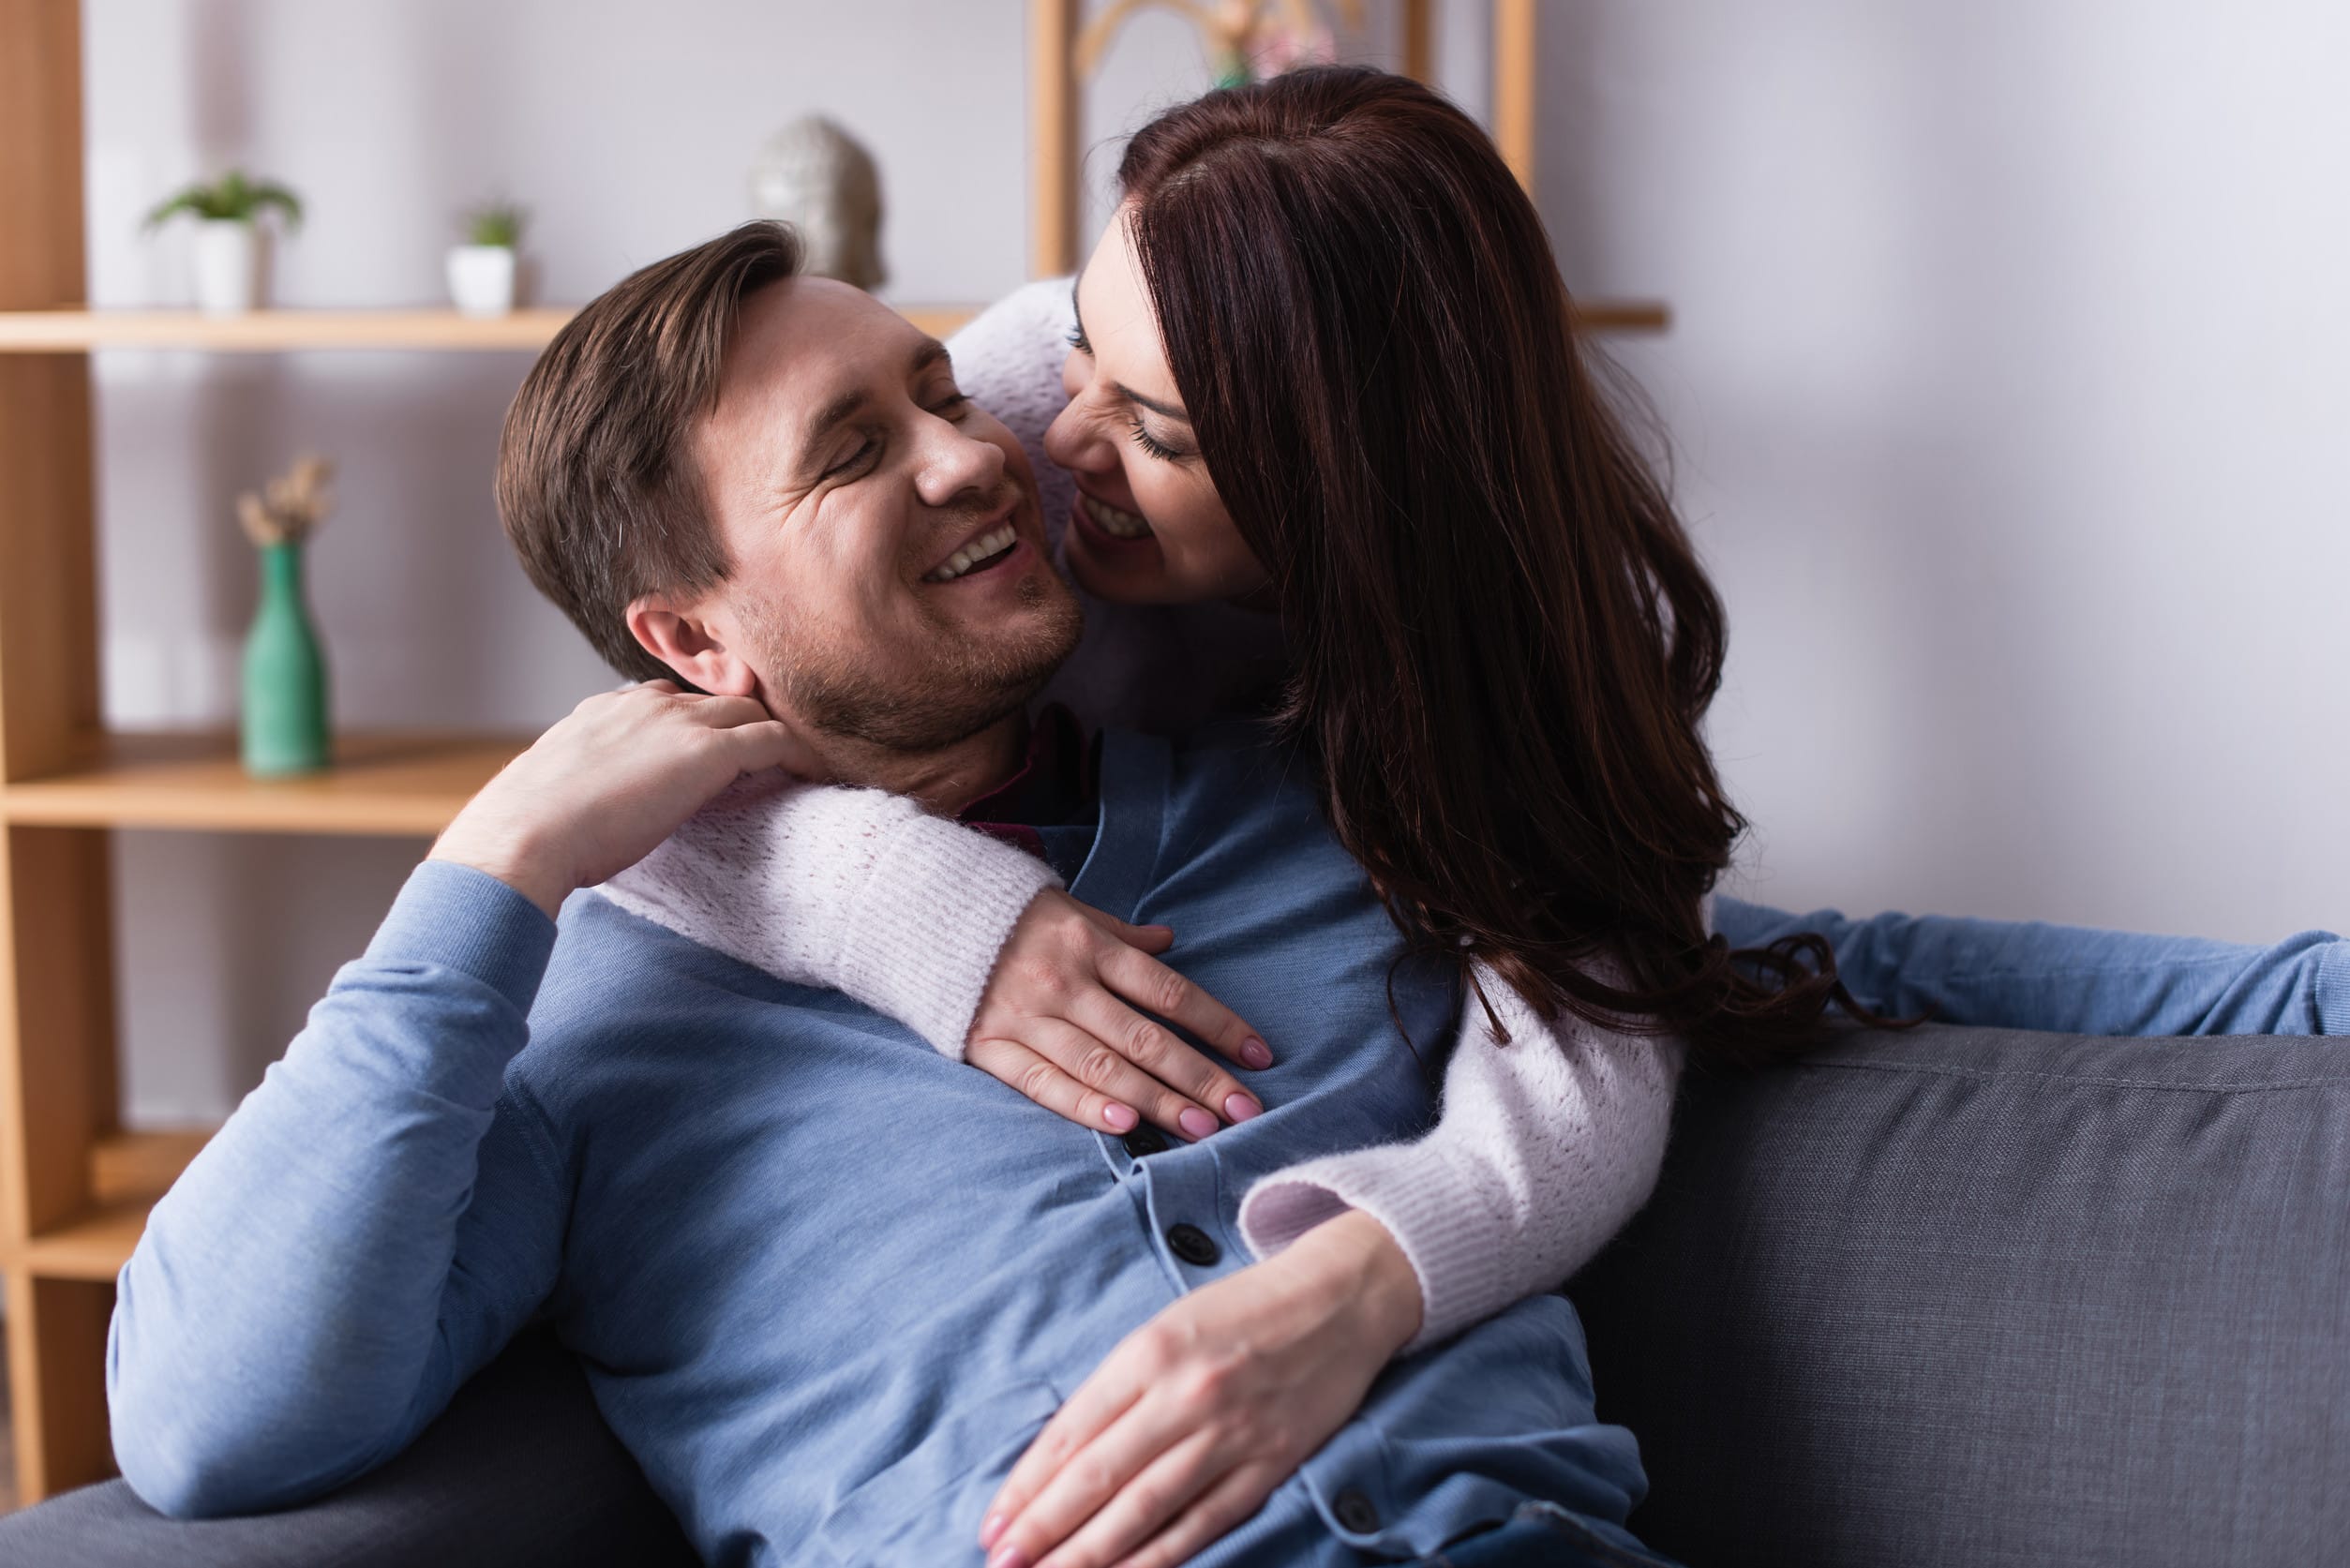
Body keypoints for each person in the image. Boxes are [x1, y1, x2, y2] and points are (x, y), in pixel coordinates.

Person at [597, 66, 2348, 1568]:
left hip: (1371, 939)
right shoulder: (1011, 405)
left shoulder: (1477, 670)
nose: (1039, 448)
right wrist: (923, 911)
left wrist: (1360, 1282)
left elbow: (1588, 1045)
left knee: (1768, 968)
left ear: (1334, 497)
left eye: (1157, 431)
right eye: (1079, 350)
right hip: (1055, 909)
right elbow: (665, 735)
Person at [107, 219, 1687, 1568]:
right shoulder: (592, 1031)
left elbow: (1689, 966)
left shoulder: (1320, 790)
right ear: (688, 646)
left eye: (942, 391)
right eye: (854, 454)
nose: (973, 456)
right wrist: (494, 859)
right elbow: (207, 1414)